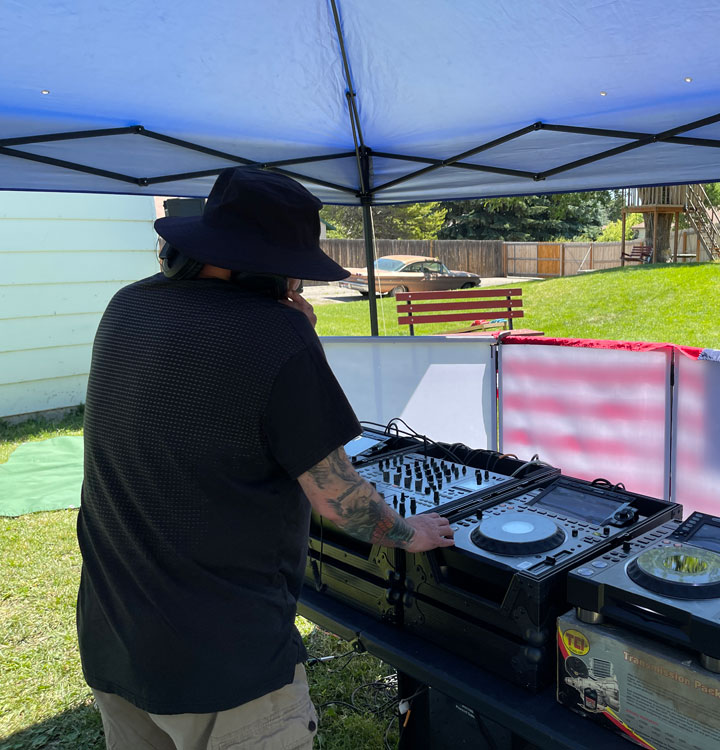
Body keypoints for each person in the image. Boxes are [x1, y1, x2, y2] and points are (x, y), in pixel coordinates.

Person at [76, 167, 455, 750]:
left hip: (113, 632)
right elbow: (343, 504)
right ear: (261, 267)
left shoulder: (125, 306)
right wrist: (410, 532)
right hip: (223, 662)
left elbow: (204, 396)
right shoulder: (277, 334)